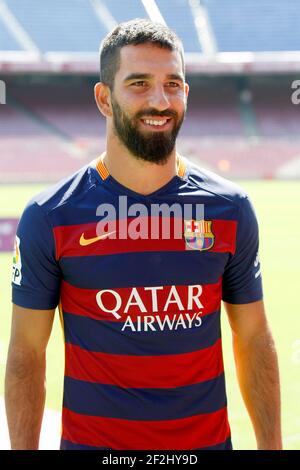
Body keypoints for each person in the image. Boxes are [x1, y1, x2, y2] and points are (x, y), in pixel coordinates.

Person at [5, 19, 282, 451]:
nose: (160, 100)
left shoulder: (230, 209)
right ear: (103, 98)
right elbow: (26, 354)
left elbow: (253, 337)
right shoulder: (51, 216)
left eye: (173, 84)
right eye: (139, 83)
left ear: (186, 94)